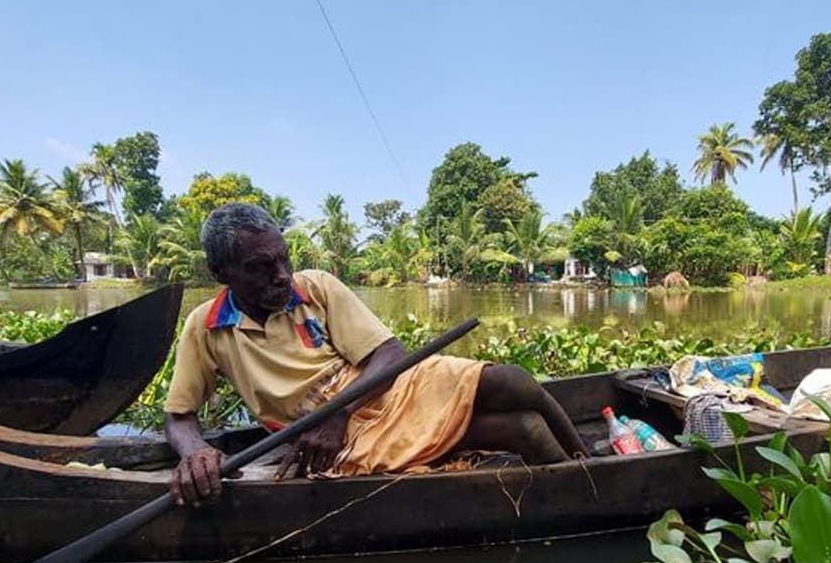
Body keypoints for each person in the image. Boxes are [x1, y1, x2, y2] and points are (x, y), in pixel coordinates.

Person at [164, 202, 588, 506]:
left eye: (284, 260)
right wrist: (195, 452)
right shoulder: (205, 326)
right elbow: (179, 416)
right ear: (221, 273)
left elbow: (390, 354)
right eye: (260, 266)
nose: (282, 276)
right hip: (330, 442)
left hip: (374, 393)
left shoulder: (316, 287)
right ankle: (579, 494)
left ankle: (590, 462)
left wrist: (340, 411)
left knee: (513, 380)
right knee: (524, 429)